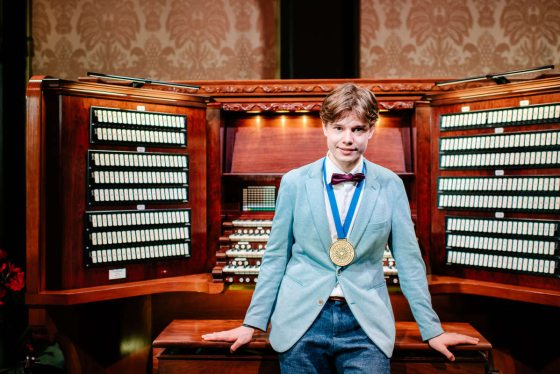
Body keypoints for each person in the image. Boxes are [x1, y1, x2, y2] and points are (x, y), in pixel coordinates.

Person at [202, 83, 479, 373]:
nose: (347, 139)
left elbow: (410, 262)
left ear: (371, 129)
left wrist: (432, 329)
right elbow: (275, 257)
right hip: (301, 320)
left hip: (365, 324)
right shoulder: (294, 182)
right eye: (338, 128)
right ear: (324, 127)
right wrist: (253, 322)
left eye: (358, 129)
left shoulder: (391, 185)